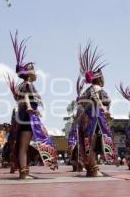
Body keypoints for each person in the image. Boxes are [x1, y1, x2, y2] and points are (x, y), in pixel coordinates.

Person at [7, 31, 58, 179]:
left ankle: (24, 171)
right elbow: (27, 98)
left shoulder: (23, 85)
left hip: (25, 117)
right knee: (23, 146)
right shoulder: (27, 84)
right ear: (29, 74)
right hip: (27, 118)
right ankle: (23, 173)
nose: (36, 74)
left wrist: (33, 109)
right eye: (34, 72)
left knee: (23, 146)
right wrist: (30, 108)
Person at [77, 42, 117, 177]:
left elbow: (80, 101)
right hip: (95, 119)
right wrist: (104, 110)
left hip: (86, 118)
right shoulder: (97, 89)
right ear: (99, 79)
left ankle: (90, 168)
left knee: (88, 143)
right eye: (103, 77)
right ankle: (94, 169)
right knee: (93, 143)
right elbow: (97, 98)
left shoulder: (87, 90)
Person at [68, 77, 85, 172]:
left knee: (78, 148)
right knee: (76, 148)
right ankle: (77, 164)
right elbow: (77, 118)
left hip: (78, 129)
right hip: (77, 129)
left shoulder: (80, 107)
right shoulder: (79, 108)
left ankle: (78, 164)